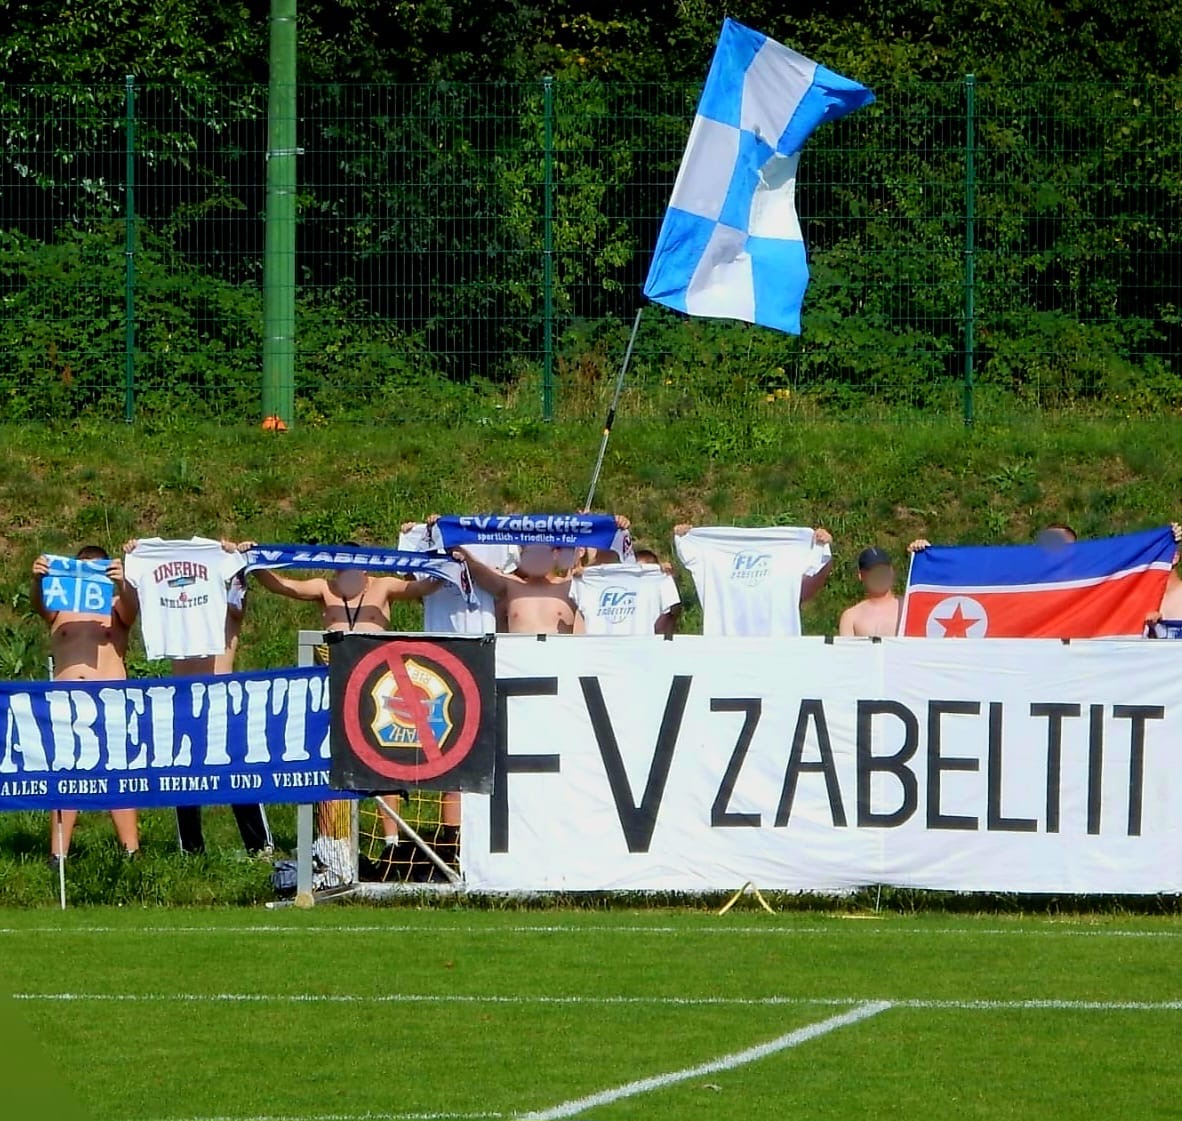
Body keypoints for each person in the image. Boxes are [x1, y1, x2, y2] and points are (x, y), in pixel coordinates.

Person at [251, 550, 440, 880]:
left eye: (352, 567)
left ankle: (392, 842)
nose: (346, 574)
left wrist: (436, 557)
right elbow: (283, 586)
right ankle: (332, 843)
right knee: (331, 763)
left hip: (379, 686)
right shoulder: (325, 589)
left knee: (386, 758)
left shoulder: (383, 586)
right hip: (334, 685)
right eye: (341, 568)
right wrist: (255, 561)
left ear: (365, 567)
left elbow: (424, 588)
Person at [30, 547, 140, 862]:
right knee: (66, 774)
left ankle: (130, 851)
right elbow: (40, 605)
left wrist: (123, 582)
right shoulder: (60, 606)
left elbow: (131, 611)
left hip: (110, 698)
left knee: (117, 774)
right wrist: (37, 580)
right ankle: (59, 855)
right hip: (66, 701)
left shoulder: (115, 605)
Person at [170, 568, 272, 855]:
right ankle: (191, 850)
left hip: (222, 702)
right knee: (184, 777)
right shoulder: (176, 615)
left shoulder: (225, 615)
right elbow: (147, 596)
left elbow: (238, 599)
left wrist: (239, 564)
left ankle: (259, 846)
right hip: (184, 702)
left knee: (239, 773)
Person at [838, 547, 901, 637]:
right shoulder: (851, 617)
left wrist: (924, 550)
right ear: (861, 575)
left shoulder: (907, 607)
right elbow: (846, 650)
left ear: (891, 571)